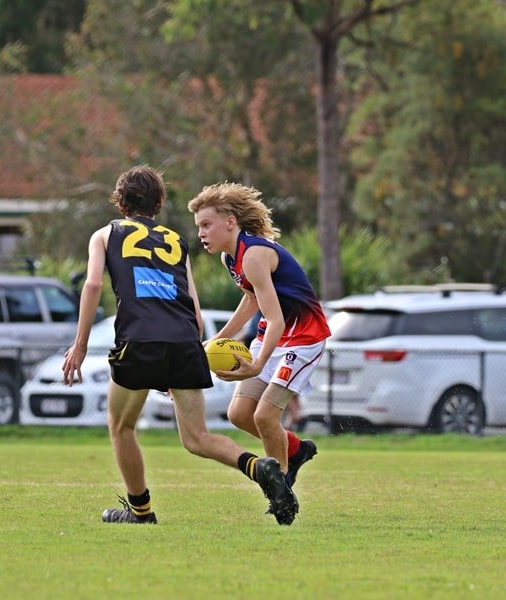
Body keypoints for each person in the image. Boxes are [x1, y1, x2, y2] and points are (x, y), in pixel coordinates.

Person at [61, 166, 298, 526]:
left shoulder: (106, 234)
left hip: (138, 341)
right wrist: (180, 363)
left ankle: (141, 512)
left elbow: (92, 286)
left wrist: (79, 345)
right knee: (197, 437)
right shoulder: (176, 241)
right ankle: (259, 466)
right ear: (159, 203)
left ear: (120, 202)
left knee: (121, 425)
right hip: (185, 342)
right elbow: (196, 312)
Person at [188, 182, 330, 487]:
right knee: (239, 414)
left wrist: (256, 364)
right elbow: (252, 299)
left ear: (230, 222)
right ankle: (295, 450)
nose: (201, 233)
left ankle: (280, 488)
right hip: (273, 336)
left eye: (206, 225)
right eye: (199, 226)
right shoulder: (231, 257)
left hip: (303, 337)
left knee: (264, 417)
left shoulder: (253, 254)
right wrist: (217, 339)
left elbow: (276, 320)